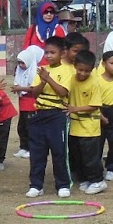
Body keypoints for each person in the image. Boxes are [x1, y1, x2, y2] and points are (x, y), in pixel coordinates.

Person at [24, 35, 75, 198]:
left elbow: (63, 92)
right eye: (46, 53)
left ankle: (63, 184)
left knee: (59, 150)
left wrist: (49, 79)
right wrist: (43, 80)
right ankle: (36, 185)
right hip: (40, 114)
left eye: (52, 52)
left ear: (63, 53)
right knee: (37, 151)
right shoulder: (42, 70)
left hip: (57, 115)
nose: (48, 56)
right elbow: (34, 93)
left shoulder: (68, 71)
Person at [66, 50, 109, 195]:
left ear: (92, 69)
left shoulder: (94, 83)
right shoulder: (71, 79)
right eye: (80, 70)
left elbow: (95, 105)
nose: (83, 73)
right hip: (74, 126)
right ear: (75, 66)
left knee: (91, 157)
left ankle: (98, 181)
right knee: (78, 156)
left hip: (90, 127)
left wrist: (75, 109)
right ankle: (85, 179)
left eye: (87, 71)